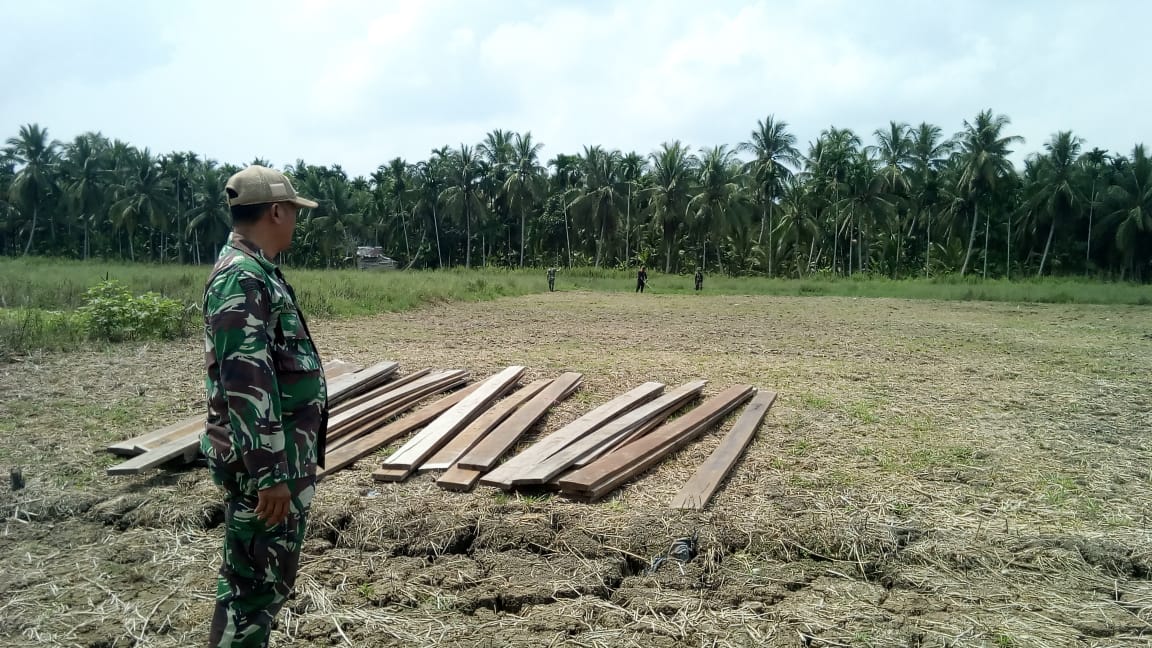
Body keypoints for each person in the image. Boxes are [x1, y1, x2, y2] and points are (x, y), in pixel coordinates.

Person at [200, 165, 326, 648]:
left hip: (277, 462)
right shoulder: (241, 278)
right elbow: (245, 381)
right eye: (294, 211)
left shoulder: (258, 272)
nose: (296, 220)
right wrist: (270, 472)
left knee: (261, 584)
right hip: (267, 469)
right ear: (276, 210)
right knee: (250, 589)